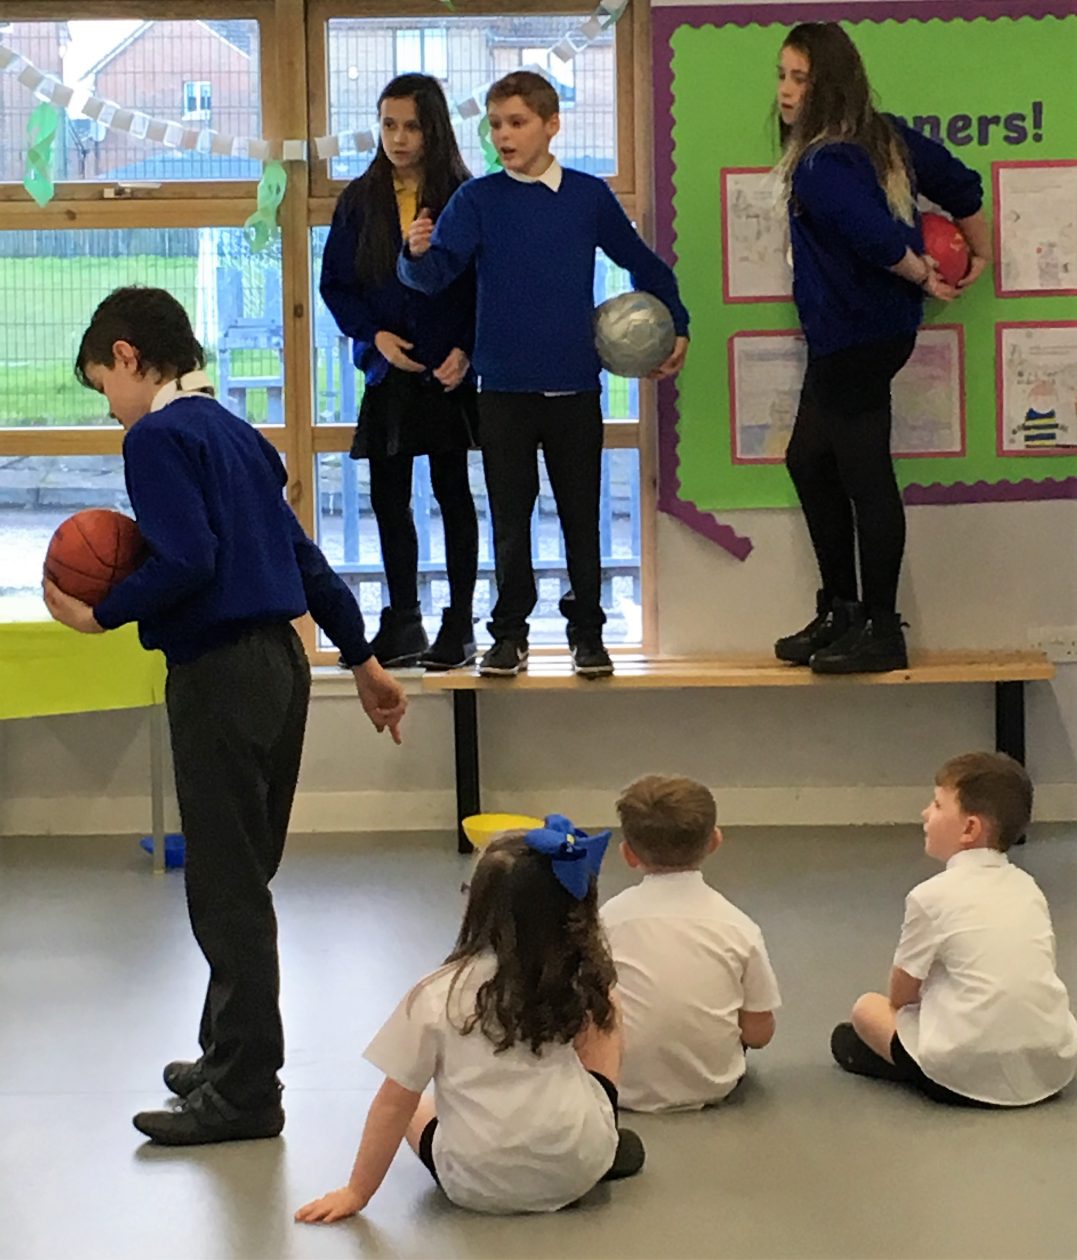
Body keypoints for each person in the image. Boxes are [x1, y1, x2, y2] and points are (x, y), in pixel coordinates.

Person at [43, 286, 408, 1146]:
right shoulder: (236, 434)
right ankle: (225, 1052)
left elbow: (190, 560)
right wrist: (361, 659)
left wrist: (103, 613)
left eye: (104, 386)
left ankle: (245, 1094)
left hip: (218, 674)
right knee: (242, 876)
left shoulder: (156, 437)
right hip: (280, 666)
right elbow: (301, 558)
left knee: (226, 887)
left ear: (127, 356)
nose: (110, 408)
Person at [399, 71, 689, 678]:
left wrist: (677, 325)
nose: (503, 135)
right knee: (510, 518)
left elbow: (644, 264)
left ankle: (588, 631)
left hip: (573, 387)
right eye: (495, 125)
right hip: (503, 390)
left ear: (552, 125)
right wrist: (415, 254)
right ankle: (509, 633)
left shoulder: (587, 197)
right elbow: (433, 278)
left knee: (582, 515)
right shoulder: (477, 200)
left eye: (517, 122)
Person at [771, 23, 991, 674]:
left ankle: (880, 628)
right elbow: (961, 186)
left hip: (856, 337)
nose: (785, 91)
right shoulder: (880, 136)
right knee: (807, 459)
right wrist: (978, 251)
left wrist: (927, 274)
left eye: (800, 78)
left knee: (864, 477)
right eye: (782, 75)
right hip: (855, 335)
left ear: (829, 84)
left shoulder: (821, 162)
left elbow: (872, 234)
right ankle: (842, 611)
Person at [295, 817, 644, 1221]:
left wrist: (357, 1192)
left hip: (476, 1184)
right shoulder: (581, 975)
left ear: (476, 906)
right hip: (578, 1171)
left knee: (415, 1104)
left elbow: (392, 1104)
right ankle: (602, 1133)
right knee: (606, 1008)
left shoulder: (436, 995)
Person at [321, 73, 479, 670]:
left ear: (433, 129)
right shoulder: (359, 200)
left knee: (452, 493)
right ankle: (404, 619)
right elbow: (336, 285)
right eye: (389, 125)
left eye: (411, 126)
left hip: (448, 371)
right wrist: (375, 337)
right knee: (389, 497)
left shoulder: (464, 195)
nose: (399, 138)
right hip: (388, 370)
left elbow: (483, 286)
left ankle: (460, 623)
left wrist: (465, 350)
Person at [831, 752, 1077, 1106]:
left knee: (865, 1010)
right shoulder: (1029, 888)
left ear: (969, 829)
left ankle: (918, 1070)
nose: (925, 813)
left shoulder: (929, 896)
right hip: (1049, 1067)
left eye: (937, 804)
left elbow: (900, 996)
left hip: (964, 1069)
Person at [602, 776, 781, 1111]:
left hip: (619, 1084)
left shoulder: (607, 920)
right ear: (715, 841)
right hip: (714, 1083)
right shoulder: (739, 926)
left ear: (628, 854)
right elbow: (759, 1033)